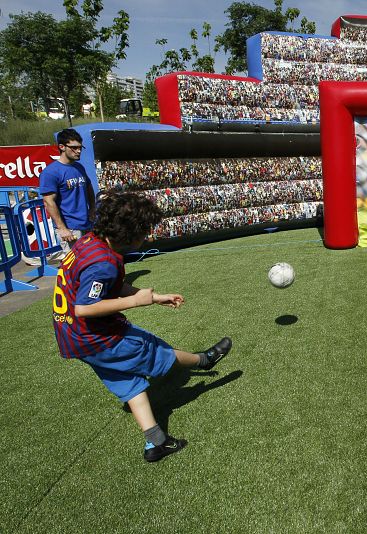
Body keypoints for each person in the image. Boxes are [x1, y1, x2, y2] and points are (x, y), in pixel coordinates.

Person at [51, 191, 233, 462]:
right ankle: (204, 360)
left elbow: (107, 287)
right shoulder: (104, 263)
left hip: (74, 338)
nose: (147, 236)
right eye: (144, 231)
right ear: (128, 232)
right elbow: (85, 307)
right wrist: (136, 302)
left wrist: (155, 297)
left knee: (128, 382)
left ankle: (156, 443)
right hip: (99, 336)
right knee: (158, 351)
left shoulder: (89, 241)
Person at [40, 129, 95, 253]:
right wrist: (62, 228)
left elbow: (89, 188)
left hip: (87, 224)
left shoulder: (79, 167)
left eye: (80, 147)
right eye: (74, 148)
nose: (78, 151)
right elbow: (48, 202)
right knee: (73, 263)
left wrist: (92, 208)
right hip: (70, 228)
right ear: (62, 147)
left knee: (90, 260)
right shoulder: (50, 172)